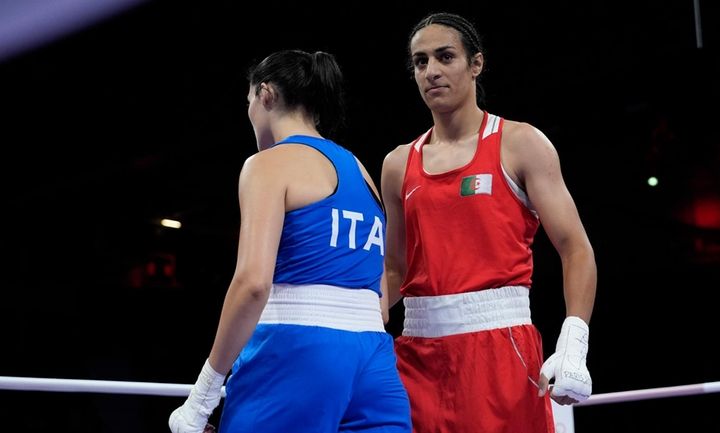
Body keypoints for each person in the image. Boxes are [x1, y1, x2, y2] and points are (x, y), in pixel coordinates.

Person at [169, 49, 412, 433]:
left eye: (248, 101)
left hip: (298, 354)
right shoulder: (361, 171)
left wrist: (201, 399)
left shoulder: (267, 164)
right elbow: (381, 305)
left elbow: (251, 285)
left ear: (265, 94)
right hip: (374, 361)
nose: (249, 112)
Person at [380, 12, 597, 433]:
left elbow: (576, 248)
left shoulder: (521, 144)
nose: (432, 71)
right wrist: (346, 319)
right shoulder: (397, 164)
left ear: (475, 64)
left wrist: (575, 341)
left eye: (445, 57)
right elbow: (395, 268)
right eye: (421, 62)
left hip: (500, 348)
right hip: (416, 356)